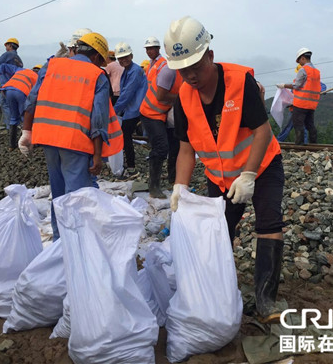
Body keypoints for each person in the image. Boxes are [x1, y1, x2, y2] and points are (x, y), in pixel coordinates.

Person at [166, 16, 285, 324]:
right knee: (219, 232)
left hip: (261, 167)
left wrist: (248, 176)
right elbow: (186, 148)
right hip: (220, 178)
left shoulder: (238, 82)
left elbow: (262, 131)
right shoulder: (184, 97)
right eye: (183, 70)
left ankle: (266, 299)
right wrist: (180, 186)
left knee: (269, 223)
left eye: (196, 67)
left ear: (210, 55)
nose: (190, 76)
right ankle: (220, 293)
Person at [18, 32, 123, 241]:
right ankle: (75, 244)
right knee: (76, 198)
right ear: (96, 57)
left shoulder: (52, 65)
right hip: (75, 142)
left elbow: (32, 100)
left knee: (58, 194)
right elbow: (98, 119)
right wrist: (97, 156)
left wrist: (26, 131)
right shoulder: (96, 75)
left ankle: (59, 241)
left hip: (47, 138)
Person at [139, 36, 183, 196]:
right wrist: (182, 98)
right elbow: (160, 95)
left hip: (161, 114)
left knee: (172, 145)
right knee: (161, 147)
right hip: (150, 114)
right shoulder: (168, 69)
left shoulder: (173, 69)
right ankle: (154, 186)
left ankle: (172, 179)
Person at [112, 42, 148, 179]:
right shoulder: (127, 70)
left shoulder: (135, 71)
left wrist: (114, 111)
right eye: (120, 58)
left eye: (126, 57)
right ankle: (129, 163)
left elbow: (127, 94)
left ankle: (131, 166)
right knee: (125, 135)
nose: (123, 60)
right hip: (130, 109)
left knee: (125, 135)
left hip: (135, 110)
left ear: (131, 56)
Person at [276, 48, 321, 145]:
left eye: (299, 61)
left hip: (300, 104)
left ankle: (298, 146)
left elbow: (296, 85)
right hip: (312, 104)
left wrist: (284, 85)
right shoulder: (316, 72)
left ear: (303, 58)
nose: (299, 63)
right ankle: (314, 144)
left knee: (298, 125)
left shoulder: (303, 70)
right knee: (310, 125)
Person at [1, 65, 39, 149]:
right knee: (24, 117)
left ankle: (12, 145)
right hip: (21, 92)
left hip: (8, 90)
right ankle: (28, 142)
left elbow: (5, 66)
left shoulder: (23, 70)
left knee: (13, 117)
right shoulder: (37, 77)